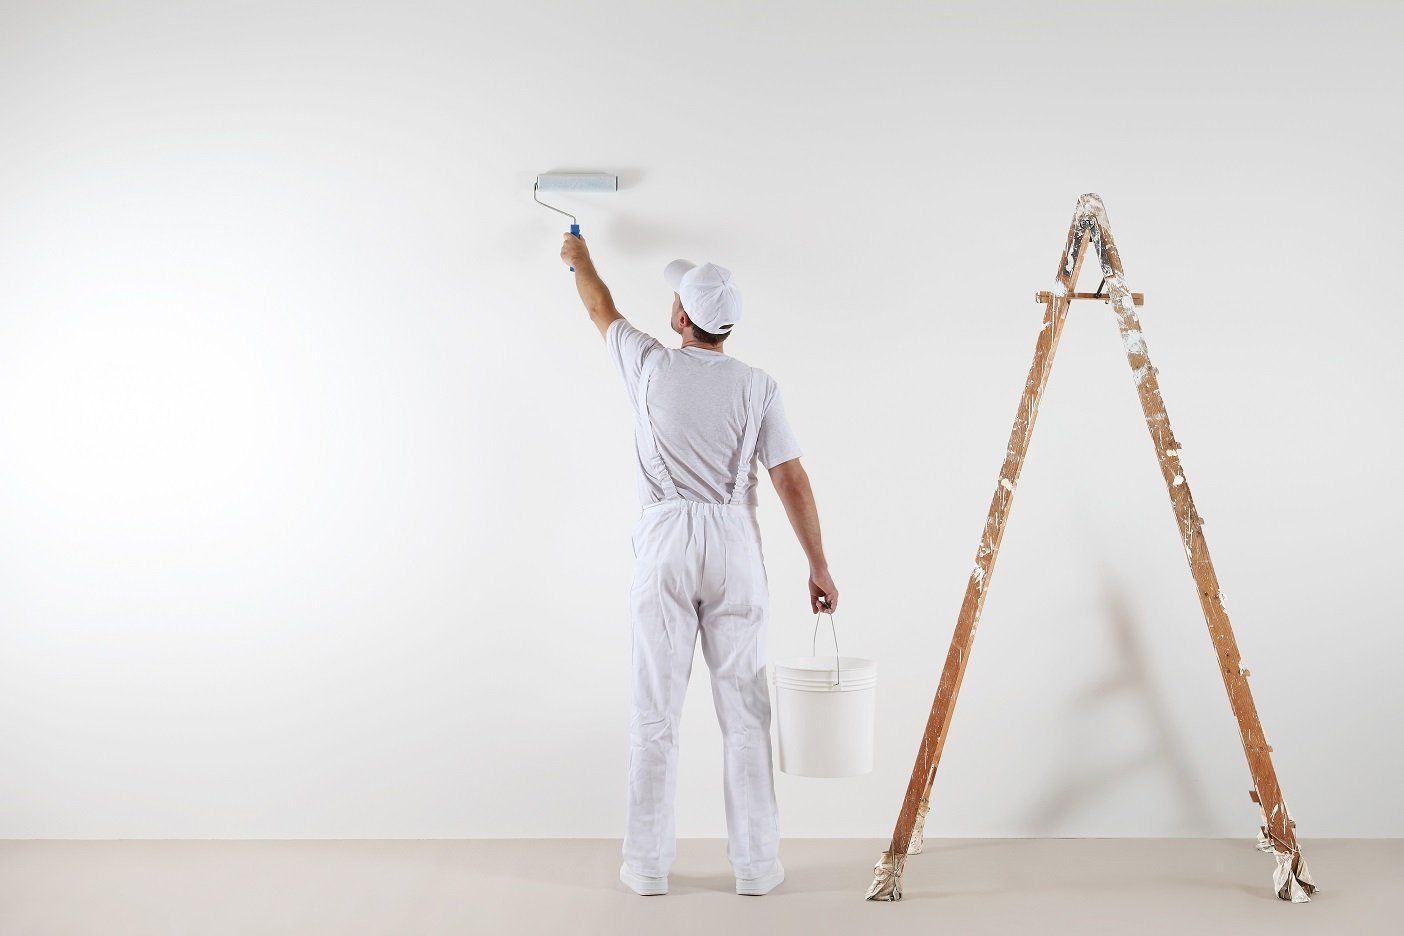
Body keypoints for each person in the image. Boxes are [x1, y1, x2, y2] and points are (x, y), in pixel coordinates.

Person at [560, 234, 839, 898]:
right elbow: (791, 479)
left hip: (666, 535)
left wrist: (578, 257)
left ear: (683, 317)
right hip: (735, 539)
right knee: (745, 710)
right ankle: (756, 868)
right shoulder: (758, 386)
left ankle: (648, 866)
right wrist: (818, 565)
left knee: (656, 709)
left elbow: (599, 305)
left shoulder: (647, 364)